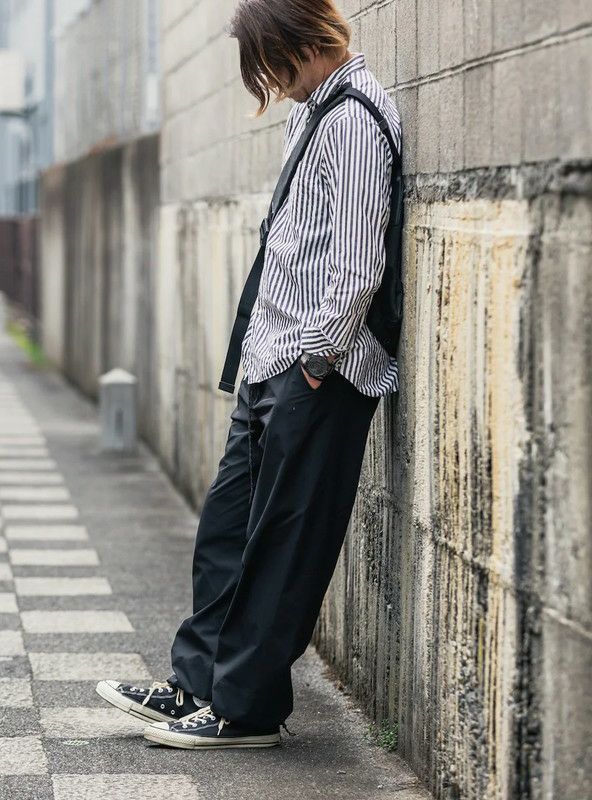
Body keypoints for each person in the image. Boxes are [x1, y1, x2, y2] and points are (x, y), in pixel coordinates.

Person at [97, 0, 402, 749]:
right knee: (226, 532)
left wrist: (317, 359)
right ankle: (197, 684)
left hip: (317, 369)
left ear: (304, 40)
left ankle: (247, 709)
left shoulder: (355, 120)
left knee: (282, 549)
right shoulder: (314, 113)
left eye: (270, 62)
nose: (269, 80)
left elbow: (358, 262)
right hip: (274, 359)